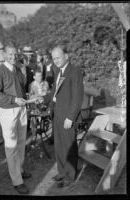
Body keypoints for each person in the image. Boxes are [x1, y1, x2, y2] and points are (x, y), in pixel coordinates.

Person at [0, 44, 33, 194]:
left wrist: (29, 99)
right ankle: (17, 180)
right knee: (11, 145)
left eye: (15, 54)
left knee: (21, 143)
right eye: (10, 54)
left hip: (21, 110)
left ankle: (19, 169)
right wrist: (15, 100)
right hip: (7, 112)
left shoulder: (17, 70)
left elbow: (22, 89)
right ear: (4, 54)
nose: (13, 57)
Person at [44, 44, 84, 188]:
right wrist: (42, 98)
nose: (56, 60)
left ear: (66, 56)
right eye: (54, 58)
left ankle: (70, 176)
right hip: (57, 115)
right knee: (59, 146)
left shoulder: (75, 71)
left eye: (59, 57)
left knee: (69, 147)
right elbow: (54, 93)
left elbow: (77, 97)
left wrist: (70, 117)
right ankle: (61, 172)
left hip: (67, 117)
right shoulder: (57, 71)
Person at [29, 69, 49, 143]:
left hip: (44, 105)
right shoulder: (32, 85)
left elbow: (48, 94)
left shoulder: (46, 83)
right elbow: (30, 97)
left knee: (45, 114)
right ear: (34, 77)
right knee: (33, 118)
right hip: (35, 105)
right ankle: (34, 135)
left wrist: (45, 95)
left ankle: (42, 129)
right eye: (38, 76)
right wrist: (37, 96)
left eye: (41, 75)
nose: (40, 77)